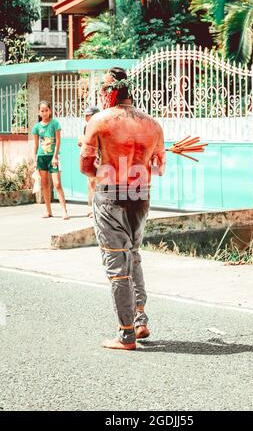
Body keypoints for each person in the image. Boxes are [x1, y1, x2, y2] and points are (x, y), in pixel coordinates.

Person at [80, 67, 165, 350]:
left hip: (111, 196)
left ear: (112, 90)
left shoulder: (99, 121)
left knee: (117, 266)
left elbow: (85, 168)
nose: (101, 93)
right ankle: (140, 320)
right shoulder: (153, 125)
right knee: (134, 254)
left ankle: (126, 335)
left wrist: (106, 166)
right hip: (141, 195)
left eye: (104, 88)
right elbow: (159, 168)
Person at [32, 100, 69, 220]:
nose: (44, 113)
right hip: (41, 157)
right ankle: (48, 211)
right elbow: (36, 145)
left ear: (50, 111)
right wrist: (35, 160)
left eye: (46, 110)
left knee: (57, 184)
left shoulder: (55, 124)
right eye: (42, 111)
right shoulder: (36, 127)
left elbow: (58, 141)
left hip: (53, 158)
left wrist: (55, 156)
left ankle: (64, 211)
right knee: (45, 184)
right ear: (39, 112)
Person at [78, 106, 100, 217]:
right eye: (85, 115)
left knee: (96, 183)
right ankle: (93, 208)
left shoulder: (100, 126)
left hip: (98, 158)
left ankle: (97, 210)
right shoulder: (87, 127)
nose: (86, 117)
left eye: (88, 115)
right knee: (91, 183)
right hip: (89, 158)